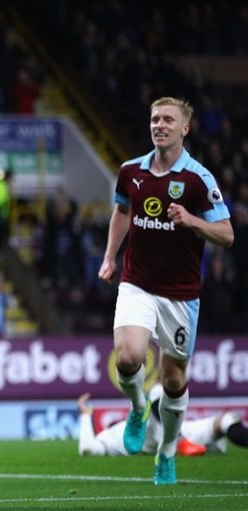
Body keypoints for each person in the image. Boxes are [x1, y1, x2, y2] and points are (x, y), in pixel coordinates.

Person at [97, 97, 233, 485]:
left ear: (184, 128)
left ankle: (168, 450)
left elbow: (226, 234)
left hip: (180, 293)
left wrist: (190, 220)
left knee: (174, 381)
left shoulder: (198, 179)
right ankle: (139, 407)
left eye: (168, 120)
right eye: (155, 118)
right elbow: (122, 212)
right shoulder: (130, 171)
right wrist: (110, 257)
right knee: (128, 358)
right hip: (136, 282)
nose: (159, 124)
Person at [77, 388, 248, 457]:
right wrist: (85, 416)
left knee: (228, 419)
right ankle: (179, 441)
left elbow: (87, 450)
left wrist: (86, 416)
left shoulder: (112, 434)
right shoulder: (107, 436)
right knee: (156, 391)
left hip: (179, 429)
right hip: (149, 439)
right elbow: (87, 449)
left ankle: (179, 440)